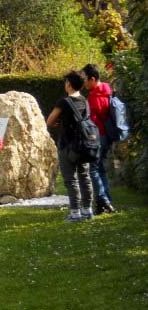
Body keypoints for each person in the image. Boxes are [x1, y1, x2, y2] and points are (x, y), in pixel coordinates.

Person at [46, 71, 96, 222]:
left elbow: (50, 121)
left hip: (68, 145)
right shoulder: (84, 101)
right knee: (85, 177)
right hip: (84, 144)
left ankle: (75, 212)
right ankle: (87, 210)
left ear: (68, 84)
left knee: (71, 179)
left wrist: (59, 123)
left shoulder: (64, 102)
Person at [81, 63, 117, 214]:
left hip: (98, 136)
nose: (83, 83)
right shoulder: (107, 90)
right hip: (105, 135)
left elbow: (95, 119)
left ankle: (103, 200)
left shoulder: (96, 95)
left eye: (85, 80)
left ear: (93, 79)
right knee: (100, 169)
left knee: (93, 170)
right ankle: (104, 203)